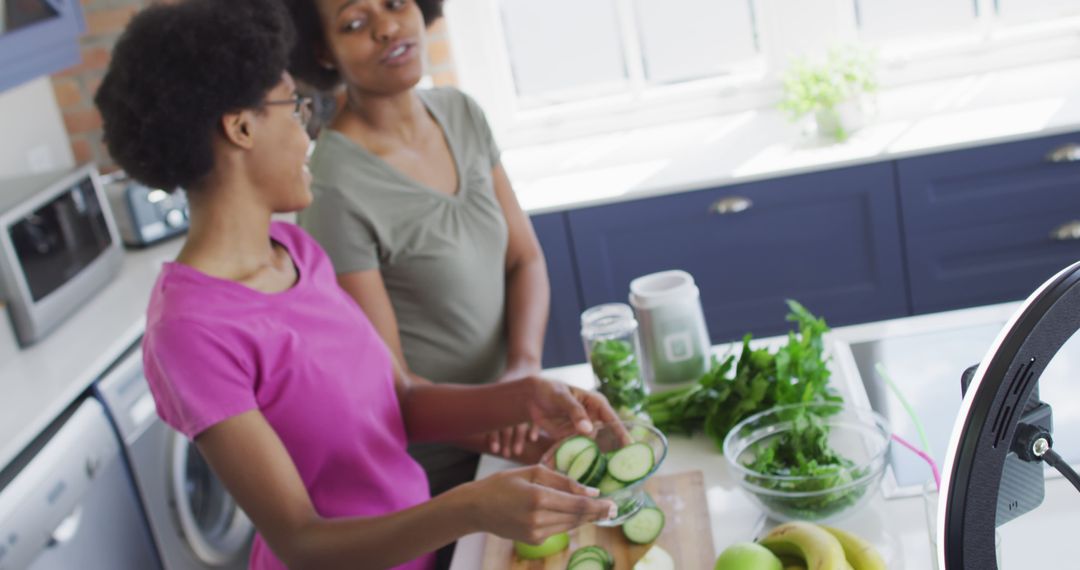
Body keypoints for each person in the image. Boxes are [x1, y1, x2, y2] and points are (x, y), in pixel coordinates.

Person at [93, 1, 619, 569]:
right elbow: (301, 541)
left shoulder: (294, 252)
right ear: (241, 127)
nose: (308, 132)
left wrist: (524, 396)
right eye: (294, 108)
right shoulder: (191, 333)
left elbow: (404, 404)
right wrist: (471, 508)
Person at [284, 0, 551, 498]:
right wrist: (512, 418)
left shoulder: (462, 112)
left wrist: (523, 372)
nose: (387, 27)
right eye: (355, 24)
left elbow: (524, 259)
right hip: (447, 471)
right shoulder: (333, 188)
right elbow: (392, 385)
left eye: (394, 3)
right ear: (323, 51)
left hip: (523, 424)